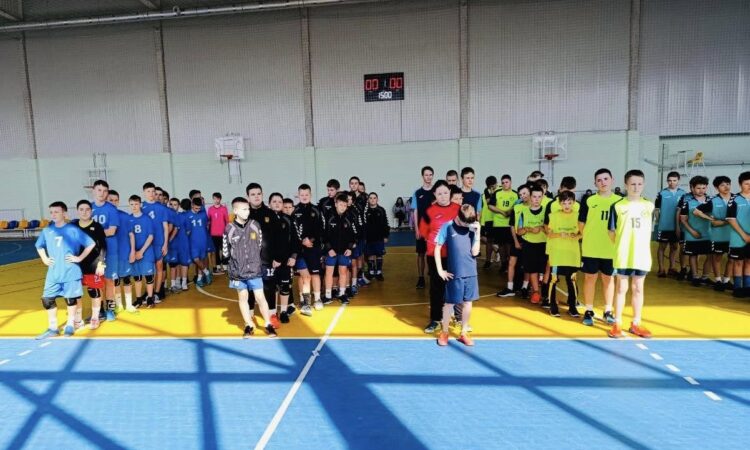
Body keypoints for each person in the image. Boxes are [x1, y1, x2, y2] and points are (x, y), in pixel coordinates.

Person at [35, 201, 96, 339]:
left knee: (71, 299)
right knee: (47, 299)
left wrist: (79, 258)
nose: (53, 215)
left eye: (56, 212)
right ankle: (53, 328)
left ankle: (70, 325)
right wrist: (44, 258)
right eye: (51, 212)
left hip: (70, 271)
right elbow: (39, 246)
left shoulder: (72, 229)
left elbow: (90, 244)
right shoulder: (47, 231)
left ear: (64, 213)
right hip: (53, 272)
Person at [608, 170, 654, 338]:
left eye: (639, 184)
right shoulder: (617, 206)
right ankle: (617, 323)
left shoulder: (649, 206)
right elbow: (611, 232)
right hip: (623, 254)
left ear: (643, 185)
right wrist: (622, 244)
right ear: (626, 185)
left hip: (642, 255)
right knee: (621, 288)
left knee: (638, 288)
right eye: (633, 184)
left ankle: (636, 323)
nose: (636, 187)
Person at [223, 197, 276, 338]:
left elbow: (259, 245)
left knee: (260, 297)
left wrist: (254, 261)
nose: (247, 212)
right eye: (244, 209)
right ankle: (248, 325)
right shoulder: (229, 229)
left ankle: (268, 324)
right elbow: (225, 251)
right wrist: (233, 265)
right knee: (243, 297)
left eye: (248, 209)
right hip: (237, 272)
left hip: (254, 270)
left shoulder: (255, 225)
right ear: (235, 211)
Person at [435, 204, 481, 347]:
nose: (467, 225)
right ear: (458, 217)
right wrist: (440, 270)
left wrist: (478, 233)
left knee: (468, 303)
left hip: (471, 272)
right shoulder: (447, 226)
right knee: (449, 303)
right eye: (465, 223)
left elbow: (475, 252)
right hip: (455, 273)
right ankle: (444, 332)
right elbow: (437, 248)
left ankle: (463, 333)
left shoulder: (472, 227)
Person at [578, 169, 620, 326]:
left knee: (608, 279)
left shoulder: (620, 201)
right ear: (595, 183)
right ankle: (589, 310)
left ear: (612, 180)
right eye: (599, 180)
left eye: (606, 179)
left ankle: (608, 310)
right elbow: (581, 223)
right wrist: (590, 237)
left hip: (611, 248)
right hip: (591, 248)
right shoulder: (588, 200)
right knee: (590, 278)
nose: (603, 182)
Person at [419, 180, 461, 333]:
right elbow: (424, 232)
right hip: (435, 256)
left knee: (456, 286)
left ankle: (459, 319)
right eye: (439, 194)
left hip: (454, 255)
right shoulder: (429, 211)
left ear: (449, 192)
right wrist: (435, 245)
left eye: (445, 193)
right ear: (435, 195)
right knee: (436, 288)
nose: (443, 196)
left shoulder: (458, 209)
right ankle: (435, 319)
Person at [247, 183, 283, 329]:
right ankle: (249, 316)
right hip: (248, 260)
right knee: (249, 288)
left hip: (267, 259)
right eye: (253, 194)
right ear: (248, 197)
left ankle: (272, 314)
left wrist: (278, 257)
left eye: (259, 194)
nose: (256, 197)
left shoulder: (270, 214)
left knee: (269, 287)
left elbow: (278, 237)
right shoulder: (244, 214)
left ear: (262, 195)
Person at [545, 191, 581, 317]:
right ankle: (552, 306)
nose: (567, 205)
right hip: (557, 253)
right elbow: (549, 234)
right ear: (560, 203)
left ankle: (572, 307)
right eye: (564, 203)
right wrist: (560, 234)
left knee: (572, 279)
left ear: (574, 203)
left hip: (572, 253)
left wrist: (576, 236)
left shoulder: (578, 216)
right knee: (554, 279)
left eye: (569, 203)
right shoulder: (553, 216)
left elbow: (583, 233)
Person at [73, 200, 109, 330]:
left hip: (93, 263)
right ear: (77, 211)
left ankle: (95, 317)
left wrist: (101, 263)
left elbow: (103, 247)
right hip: (76, 265)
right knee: (75, 293)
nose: (84, 212)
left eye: (87, 209)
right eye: (81, 209)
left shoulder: (97, 226)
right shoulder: (73, 226)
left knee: (94, 291)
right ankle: (77, 319)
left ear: (91, 211)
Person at [694, 176, 733, 291]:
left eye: (728, 184)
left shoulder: (736, 199)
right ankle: (718, 281)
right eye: (722, 185)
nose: (726, 187)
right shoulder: (713, 201)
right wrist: (710, 219)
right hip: (718, 235)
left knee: (732, 258)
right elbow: (696, 211)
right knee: (717, 258)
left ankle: (726, 280)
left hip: (734, 234)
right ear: (716, 187)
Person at [91, 179, 120, 320]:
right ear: (94, 191)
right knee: (97, 281)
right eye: (99, 190)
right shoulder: (88, 209)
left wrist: (94, 233)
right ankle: (99, 309)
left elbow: (112, 231)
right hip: (94, 251)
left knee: (109, 280)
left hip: (110, 250)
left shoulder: (112, 209)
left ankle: (110, 309)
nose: (102, 193)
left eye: (104, 191)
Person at [293, 184, 325, 314]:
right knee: (302, 276)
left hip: (314, 248)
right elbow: (293, 231)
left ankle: (317, 299)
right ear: (298, 195)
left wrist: (311, 240)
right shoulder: (295, 211)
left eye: (307, 194)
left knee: (315, 274)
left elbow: (321, 229)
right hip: (300, 249)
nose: (304, 197)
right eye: (302, 195)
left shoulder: (316, 210)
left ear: (310, 195)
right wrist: (302, 241)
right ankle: (303, 300)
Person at [322, 193, 358, 305]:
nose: (342, 207)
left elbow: (353, 235)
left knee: (343, 271)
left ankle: (342, 294)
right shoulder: (328, 216)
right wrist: (329, 249)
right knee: (329, 272)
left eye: (345, 205)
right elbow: (323, 235)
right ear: (336, 204)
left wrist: (350, 248)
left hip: (344, 251)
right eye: (340, 204)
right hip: (331, 251)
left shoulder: (349, 217)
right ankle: (328, 295)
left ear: (347, 206)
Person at [269, 193, 299, 323]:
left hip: (286, 260)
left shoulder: (288, 219)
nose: (277, 204)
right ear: (269, 204)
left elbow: (295, 240)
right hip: (270, 262)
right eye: (274, 201)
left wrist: (293, 256)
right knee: (272, 288)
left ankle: (284, 312)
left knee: (285, 286)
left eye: (279, 202)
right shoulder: (266, 219)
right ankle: (273, 313)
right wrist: (271, 259)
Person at [497, 184, 531, 298]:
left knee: (526, 264)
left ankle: (525, 287)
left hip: (529, 240)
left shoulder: (534, 207)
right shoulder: (517, 207)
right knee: (511, 262)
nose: (523, 196)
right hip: (517, 238)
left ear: (530, 193)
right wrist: (516, 241)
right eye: (520, 194)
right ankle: (510, 287)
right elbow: (512, 225)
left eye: (524, 193)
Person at [516, 185, 547, 304]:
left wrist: (541, 228)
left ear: (543, 197)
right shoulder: (523, 212)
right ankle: (535, 292)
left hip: (544, 243)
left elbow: (551, 229)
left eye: (539, 197)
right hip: (529, 244)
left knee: (545, 269)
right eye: (534, 196)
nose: (537, 199)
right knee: (532, 269)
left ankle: (546, 293)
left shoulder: (546, 211)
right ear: (530, 197)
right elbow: (519, 231)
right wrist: (528, 229)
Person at [108, 190, 137, 316]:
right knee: (115, 281)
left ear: (119, 201)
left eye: (116, 200)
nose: (113, 203)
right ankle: (119, 305)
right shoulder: (104, 216)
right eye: (111, 200)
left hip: (124, 253)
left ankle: (129, 305)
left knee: (126, 279)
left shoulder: (125, 216)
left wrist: (132, 251)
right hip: (111, 255)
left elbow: (131, 235)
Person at [679, 176, 711, 286]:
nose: (701, 190)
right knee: (693, 255)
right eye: (698, 188)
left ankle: (705, 277)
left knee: (710, 255)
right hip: (692, 234)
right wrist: (692, 231)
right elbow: (683, 219)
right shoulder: (687, 202)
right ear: (692, 188)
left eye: (703, 188)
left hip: (708, 234)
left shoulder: (711, 201)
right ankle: (695, 276)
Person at [142, 182, 170, 304]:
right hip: (145, 244)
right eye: (148, 191)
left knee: (159, 267)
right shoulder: (141, 207)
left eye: (153, 191)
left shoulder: (161, 208)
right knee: (147, 269)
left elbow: (165, 228)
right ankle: (149, 292)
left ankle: (157, 293)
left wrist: (165, 244)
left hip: (158, 242)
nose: (151, 194)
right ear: (144, 192)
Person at [654, 171, 686, 278]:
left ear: (678, 181)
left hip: (677, 226)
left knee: (674, 247)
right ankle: (661, 269)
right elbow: (656, 209)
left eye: (674, 180)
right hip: (664, 226)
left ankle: (672, 268)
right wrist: (659, 221)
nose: (672, 182)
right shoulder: (662, 193)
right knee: (662, 247)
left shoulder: (683, 194)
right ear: (667, 181)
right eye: (669, 180)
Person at [128, 195, 157, 309]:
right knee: (137, 277)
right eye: (132, 204)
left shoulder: (146, 219)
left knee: (149, 276)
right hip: (134, 252)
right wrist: (133, 252)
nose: (134, 206)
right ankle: (139, 299)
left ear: (140, 204)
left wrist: (141, 251)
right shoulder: (128, 219)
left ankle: (150, 298)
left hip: (146, 251)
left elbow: (150, 236)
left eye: (136, 204)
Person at [726, 171, 750, 298]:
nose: (749, 186)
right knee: (738, 262)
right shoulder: (734, 199)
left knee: (749, 262)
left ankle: (747, 287)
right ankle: (737, 288)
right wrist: (744, 235)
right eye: (746, 184)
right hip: (738, 237)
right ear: (740, 184)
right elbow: (731, 219)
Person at [488, 174, 518, 272]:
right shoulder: (497, 193)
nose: (505, 184)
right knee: (501, 245)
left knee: (509, 244)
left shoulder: (515, 194)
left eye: (507, 182)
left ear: (510, 182)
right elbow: (490, 206)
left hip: (510, 224)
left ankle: (510, 264)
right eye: (503, 182)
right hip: (498, 223)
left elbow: (519, 205)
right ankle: (503, 263)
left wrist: (510, 211)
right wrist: (502, 212)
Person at [412, 166, 435, 289]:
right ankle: (421, 278)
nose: (428, 177)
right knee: (421, 253)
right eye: (426, 175)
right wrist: (416, 228)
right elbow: (415, 211)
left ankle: (433, 276)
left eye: (430, 175)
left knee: (433, 254)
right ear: (422, 176)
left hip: (434, 229)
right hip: (422, 228)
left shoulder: (436, 191)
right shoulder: (417, 193)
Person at [187, 197, 212, 287]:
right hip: (192, 241)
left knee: (201, 259)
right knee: (196, 259)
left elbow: (207, 225)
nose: (197, 210)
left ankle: (199, 279)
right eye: (196, 208)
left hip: (203, 239)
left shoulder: (203, 214)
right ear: (192, 205)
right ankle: (207, 272)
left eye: (199, 208)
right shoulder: (187, 215)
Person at [365, 192, 390, 280]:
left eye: (374, 198)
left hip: (379, 237)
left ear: (377, 199)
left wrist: (386, 236)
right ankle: (371, 272)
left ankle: (379, 272)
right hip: (369, 237)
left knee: (379, 254)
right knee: (370, 255)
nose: (372, 200)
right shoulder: (365, 211)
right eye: (370, 198)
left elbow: (385, 223)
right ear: (368, 200)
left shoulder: (381, 210)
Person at [207, 192, 229, 274]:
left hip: (223, 233)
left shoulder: (224, 208)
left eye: (218, 199)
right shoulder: (210, 209)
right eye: (215, 199)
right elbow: (208, 221)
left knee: (224, 250)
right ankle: (218, 265)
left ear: (220, 199)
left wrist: (227, 231)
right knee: (215, 250)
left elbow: (227, 220)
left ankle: (225, 265)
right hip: (213, 234)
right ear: (213, 199)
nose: (216, 200)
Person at [480, 175, 498, 268]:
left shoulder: (501, 191)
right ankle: (488, 261)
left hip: (499, 219)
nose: (491, 188)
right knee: (488, 240)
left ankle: (504, 262)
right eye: (489, 186)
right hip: (488, 220)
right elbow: (483, 208)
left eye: (493, 186)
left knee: (503, 242)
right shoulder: (484, 194)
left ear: (496, 184)